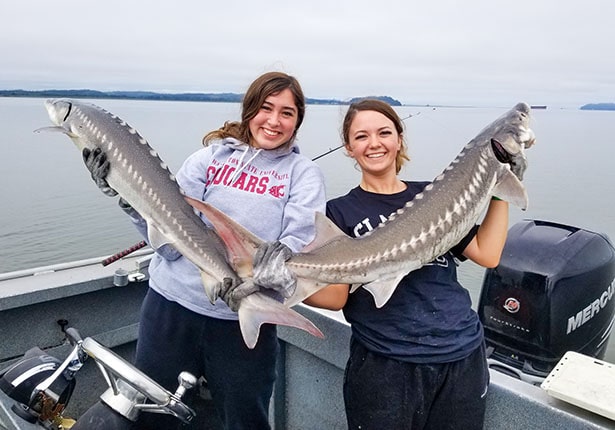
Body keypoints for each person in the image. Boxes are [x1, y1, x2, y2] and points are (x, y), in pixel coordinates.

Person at [82, 71, 326, 429]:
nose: (274, 121)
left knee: (245, 418)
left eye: (287, 113)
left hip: (243, 319)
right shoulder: (209, 158)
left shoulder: (303, 174)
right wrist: (125, 195)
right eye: (265, 108)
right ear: (249, 111)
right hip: (171, 308)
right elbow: (166, 238)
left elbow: (297, 241)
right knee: (153, 412)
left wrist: (266, 276)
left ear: (297, 121)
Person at [304, 98, 509, 430]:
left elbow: (488, 253)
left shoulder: (434, 194)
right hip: (386, 365)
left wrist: (500, 187)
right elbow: (336, 297)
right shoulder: (339, 212)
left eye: (384, 132)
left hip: (462, 355)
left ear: (399, 139)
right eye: (361, 136)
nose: (374, 143)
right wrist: (281, 281)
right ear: (348, 148)